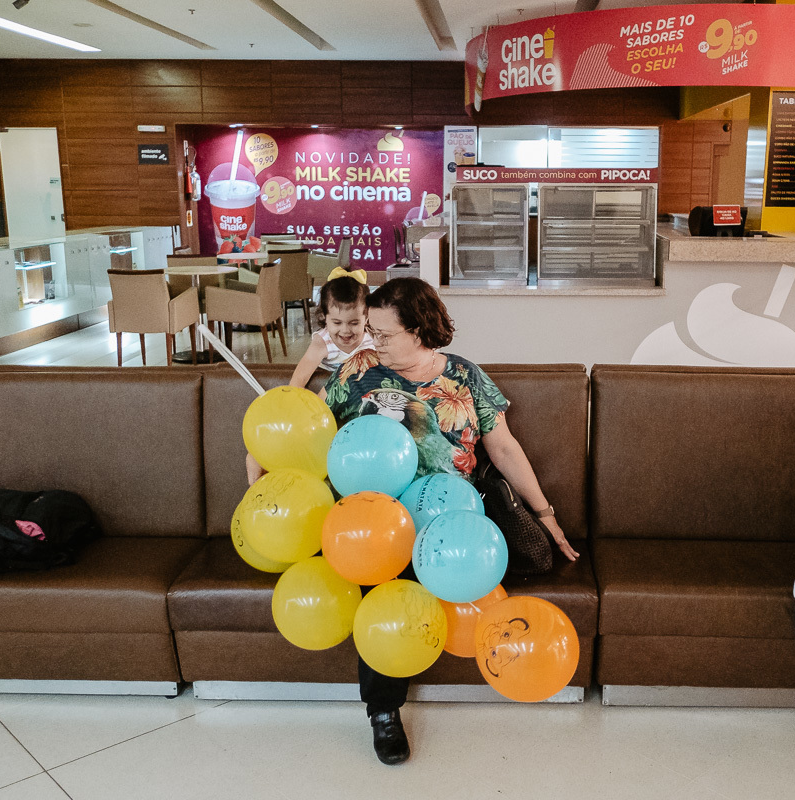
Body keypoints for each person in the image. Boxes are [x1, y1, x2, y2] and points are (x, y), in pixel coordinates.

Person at [247, 277, 578, 765]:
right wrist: (261, 465)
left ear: (420, 330)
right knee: (386, 582)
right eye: (369, 330)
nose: (369, 341)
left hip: (451, 517)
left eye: (382, 333)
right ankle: (383, 713)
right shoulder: (358, 370)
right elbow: (309, 431)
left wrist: (546, 514)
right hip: (374, 519)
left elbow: (503, 447)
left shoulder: (464, 377)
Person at [287, 268, 374, 388]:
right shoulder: (322, 342)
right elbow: (300, 377)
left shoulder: (373, 338)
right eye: (337, 323)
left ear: (367, 316)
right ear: (324, 316)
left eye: (354, 323)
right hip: (329, 395)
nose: (345, 331)